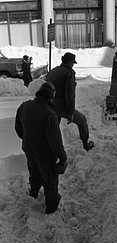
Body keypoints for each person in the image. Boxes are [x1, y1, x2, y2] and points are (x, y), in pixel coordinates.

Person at [15, 82, 68, 214]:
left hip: (29, 150)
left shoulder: (24, 106)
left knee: (34, 172)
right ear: (51, 97)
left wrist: (29, 141)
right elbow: (55, 141)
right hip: (45, 155)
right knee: (50, 181)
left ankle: (33, 192)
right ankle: (51, 207)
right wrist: (63, 158)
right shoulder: (49, 114)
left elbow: (18, 128)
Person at [46, 52, 94, 151]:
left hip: (51, 104)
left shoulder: (52, 71)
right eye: (73, 63)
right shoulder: (68, 73)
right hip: (62, 105)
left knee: (55, 128)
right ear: (70, 62)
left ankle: (53, 148)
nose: (73, 65)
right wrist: (70, 112)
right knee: (82, 121)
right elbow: (69, 94)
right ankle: (86, 145)